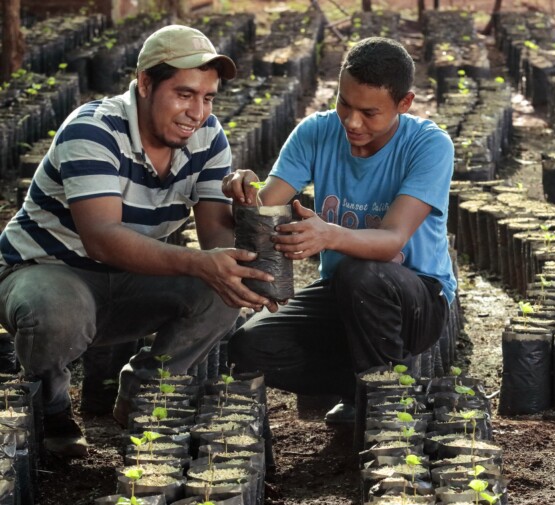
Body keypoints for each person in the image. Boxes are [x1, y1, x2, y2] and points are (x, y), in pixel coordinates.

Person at [0, 25, 276, 457]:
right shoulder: (92, 131)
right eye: (184, 94)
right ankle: (52, 411)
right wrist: (200, 263)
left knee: (225, 289)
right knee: (56, 309)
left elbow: (214, 241)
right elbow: (103, 240)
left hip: (133, 278)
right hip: (51, 271)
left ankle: (144, 394)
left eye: (208, 97)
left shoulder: (206, 135)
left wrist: (247, 218)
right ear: (145, 83)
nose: (197, 112)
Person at [224, 36, 457, 424]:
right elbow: (266, 204)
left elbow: (392, 241)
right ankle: (360, 388)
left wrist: (329, 235)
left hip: (416, 300)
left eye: (369, 113)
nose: (352, 121)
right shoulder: (316, 132)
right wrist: (245, 192)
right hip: (343, 293)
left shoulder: (428, 145)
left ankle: (390, 409)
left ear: (404, 103)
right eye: (344, 103)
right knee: (250, 344)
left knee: (361, 273)